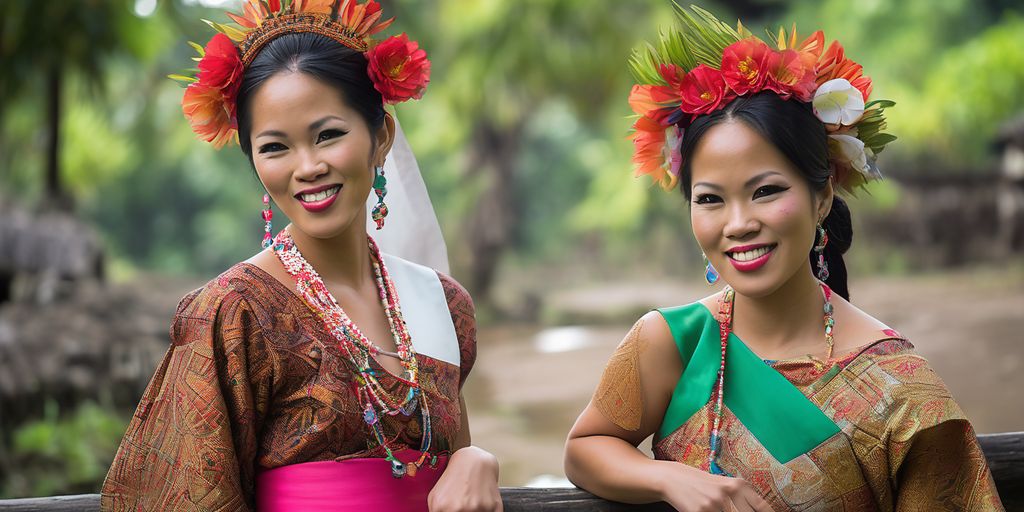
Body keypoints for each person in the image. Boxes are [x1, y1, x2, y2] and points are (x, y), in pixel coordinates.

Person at [564, 7, 1004, 512]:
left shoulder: (905, 394)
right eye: (709, 199)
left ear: (823, 197)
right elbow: (585, 448)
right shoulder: (671, 342)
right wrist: (669, 480)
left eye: (766, 191)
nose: (737, 223)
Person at [100, 1, 501, 510]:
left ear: (381, 136)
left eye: (328, 135)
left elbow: (455, 479)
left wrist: (474, 459)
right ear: (253, 162)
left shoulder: (445, 304)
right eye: (274, 147)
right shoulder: (232, 312)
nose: (308, 166)